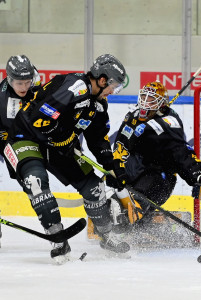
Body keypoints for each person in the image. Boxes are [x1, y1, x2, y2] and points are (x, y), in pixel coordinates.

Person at [3, 54, 130, 263]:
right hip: (25, 137)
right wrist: (63, 139)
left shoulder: (98, 104)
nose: (112, 92)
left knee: (94, 187)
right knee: (36, 182)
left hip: (59, 145)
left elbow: (98, 139)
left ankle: (107, 235)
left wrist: (112, 167)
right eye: (113, 86)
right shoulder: (75, 87)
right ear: (102, 80)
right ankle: (58, 239)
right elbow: (40, 120)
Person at [110, 81, 201, 242]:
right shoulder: (132, 117)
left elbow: (181, 153)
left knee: (136, 202)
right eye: (143, 97)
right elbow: (120, 147)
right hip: (134, 174)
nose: (145, 102)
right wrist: (114, 168)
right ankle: (137, 221)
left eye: (151, 100)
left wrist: (198, 177)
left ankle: (134, 218)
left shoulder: (169, 123)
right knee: (113, 202)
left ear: (161, 103)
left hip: (158, 179)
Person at [0, 55, 41, 249]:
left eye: (27, 82)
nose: (24, 87)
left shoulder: (38, 89)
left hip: (31, 141)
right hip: (7, 140)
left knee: (32, 180)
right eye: (19, 83)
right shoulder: (2, 98)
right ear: (9, 80)